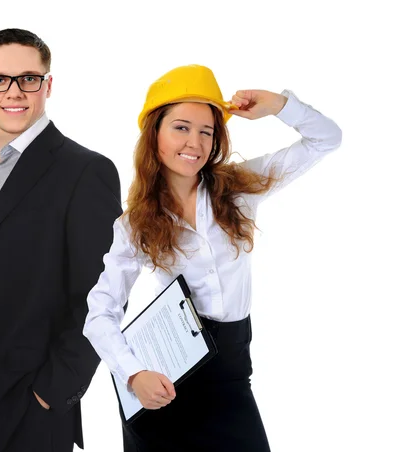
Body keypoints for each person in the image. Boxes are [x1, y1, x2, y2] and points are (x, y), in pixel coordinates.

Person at [83, 64, 342, 451]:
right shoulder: (135, 223)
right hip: (165, 380)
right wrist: (134, 374)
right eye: (181, 127)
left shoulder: (241, 188)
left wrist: (278, 106)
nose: (195, 142)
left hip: (230, 373)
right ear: (154, 134)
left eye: (207, 131)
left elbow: (326, 139)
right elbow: (99, 311)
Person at [0, 28, 122, 452]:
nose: (13, 92)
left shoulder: (85, 171)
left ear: (47, 84)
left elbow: (101, 296)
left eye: (28, 78)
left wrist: (52, 393)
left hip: (31, 402)